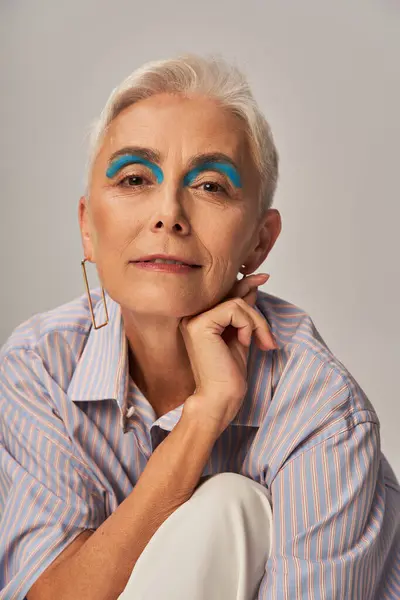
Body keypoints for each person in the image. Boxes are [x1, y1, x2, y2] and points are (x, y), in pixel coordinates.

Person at [0, 53, 399, 600]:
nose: (169, 213)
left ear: (260, 239)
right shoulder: (37, 366)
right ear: (88, 227)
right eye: (135, 178)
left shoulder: (322, 411)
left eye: (210, 185)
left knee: (229, 507)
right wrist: (200, 421)